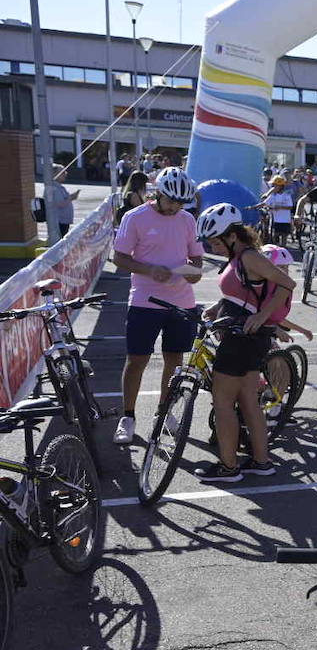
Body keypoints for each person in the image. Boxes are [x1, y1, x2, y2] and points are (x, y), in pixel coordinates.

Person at [194, 204, 294, 482]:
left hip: (241, 339)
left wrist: (263, 315)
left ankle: (228, 467)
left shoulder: (249, 257)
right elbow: (244, 293)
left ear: (233, 236)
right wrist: (220, 306)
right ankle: (262, 462)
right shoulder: (240, 258)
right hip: (250, 338)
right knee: (249, 401)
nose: (213, 248)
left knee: (223, 402)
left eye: (215, 242)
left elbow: (287, 283)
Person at [110, 166, 205, 445]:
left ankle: (164, 413)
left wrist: (192, 272)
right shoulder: (135, 216)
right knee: (137, 360)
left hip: (182, 302)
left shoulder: (187, 219)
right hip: (145, 301)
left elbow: (197, 260)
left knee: (174, 362)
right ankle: (128, 416)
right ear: (159, 193)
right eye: (171, 200)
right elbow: (119, 257)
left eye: (180, 202)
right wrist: (150, 270)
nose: (175, 206)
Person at [262, 175, 295, 245]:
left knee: (284, 237)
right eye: (273, 185)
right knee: (274, 236)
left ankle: (283, 252)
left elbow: (290, 207)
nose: (273, 187)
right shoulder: (273, 195)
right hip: (276, 220)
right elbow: (264, 202)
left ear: (281, 186)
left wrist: (279, 207)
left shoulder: (286, 195)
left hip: (285, 220)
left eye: (275, 186)